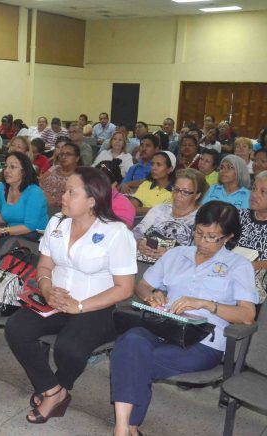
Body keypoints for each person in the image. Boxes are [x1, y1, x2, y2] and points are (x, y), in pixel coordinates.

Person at [110, 201, 257, 436]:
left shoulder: (238, 266)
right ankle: (126, 428)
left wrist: (208, 305)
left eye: (212, 237)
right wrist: (153, 296)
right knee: (130, 341)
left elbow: (247, 315)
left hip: (203, 342)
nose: (202, 242)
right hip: (164, 328)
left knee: (131, 358)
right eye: (199, 233)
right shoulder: (177, 254)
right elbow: (143, 286)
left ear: (228, 237)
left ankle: (125, 427)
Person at [5, 167, 137, 424]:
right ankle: (54, 391)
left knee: (69, 348)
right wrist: (46, 289)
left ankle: (61, 386)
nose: (62, 196)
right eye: (65, 191)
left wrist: (79, 306)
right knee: (16, 328)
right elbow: (44, 266)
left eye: (71, 193)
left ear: (92, 200)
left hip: (96, 307)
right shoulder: (56, 223)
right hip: (56, 300)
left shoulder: (116, 233)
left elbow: (124, 288)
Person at [133, 168, 208, 264]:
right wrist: (139, 242)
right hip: (142, 261)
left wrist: (171, 253)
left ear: (197, 195)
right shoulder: (159, 209)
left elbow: (201, 251)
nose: (178, 195)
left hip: (177, 268)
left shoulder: (203, 218)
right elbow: (135, 233)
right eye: (176, 189)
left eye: (185, 192)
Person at [0, 152, 48, 239]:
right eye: (5, 166)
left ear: (24, 171)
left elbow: (30, 226)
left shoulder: (34, 192)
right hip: (11, 234)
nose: (7, 170)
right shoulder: (1, 188)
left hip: (34, 238)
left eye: (12, 167)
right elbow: (6, 216)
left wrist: (0, 231)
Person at [237, 171, 267, 306]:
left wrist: (253, 266)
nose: (254, 194)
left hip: (258, 282)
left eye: (263, 192)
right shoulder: (238, 216)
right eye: (254, 188)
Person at [129, 151, 176, 216]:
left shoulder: (176, 191)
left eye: (158, 164)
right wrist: (157, 210)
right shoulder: (146, 184)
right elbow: (131, 208)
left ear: (170, 169)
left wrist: (141, 210)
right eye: (152, 164)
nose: (153, 168)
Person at [40, 138, 81, 208]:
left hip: (58, 210)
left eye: (68, 154)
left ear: (77, 158)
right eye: (61, 154)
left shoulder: (79, 177)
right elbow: (40, 181)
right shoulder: (54, 168)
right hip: (40, 202)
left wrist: (51, 200)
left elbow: (73, 201)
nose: (64, 157)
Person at [96, 159, 136, 228]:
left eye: (100, 182)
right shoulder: (84, 195)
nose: (93, 184)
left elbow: (120, 232)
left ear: (114, 184)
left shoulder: (124, 204)